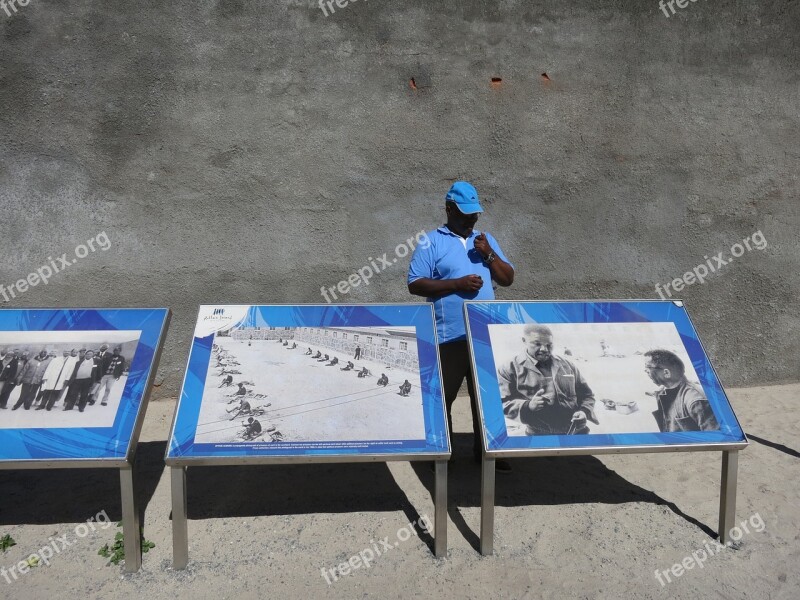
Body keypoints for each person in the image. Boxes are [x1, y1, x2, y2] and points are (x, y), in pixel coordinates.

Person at [408, 181, 514, 470]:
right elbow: (415, 284)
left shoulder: (485, 240)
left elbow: (507, 279)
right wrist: (457, 284)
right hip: (448, 335)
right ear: (449, 209)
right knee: (444, 396)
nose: (471, 220)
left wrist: (489, 255)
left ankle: (489, 454)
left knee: (488, 396)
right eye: (465, 214)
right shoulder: (431, 241)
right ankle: (444, 454)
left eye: (475, 215)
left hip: (484, 334)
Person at [498, 324, 598, 435]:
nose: (544, 349)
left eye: (549, 345)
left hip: (576, 432)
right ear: (524, 341)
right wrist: (528, 406)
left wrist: (584, 412)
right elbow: (501, 404)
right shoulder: (509, 368)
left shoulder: (568, 365)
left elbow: (587, 395)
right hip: (539, 435)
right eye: (537, 344)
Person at [644, 350, 719, 432]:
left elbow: (714, 438)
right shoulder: (665, 390)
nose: (646, 371)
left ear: (666, 373)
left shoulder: (695, 400)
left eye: (648, 367)